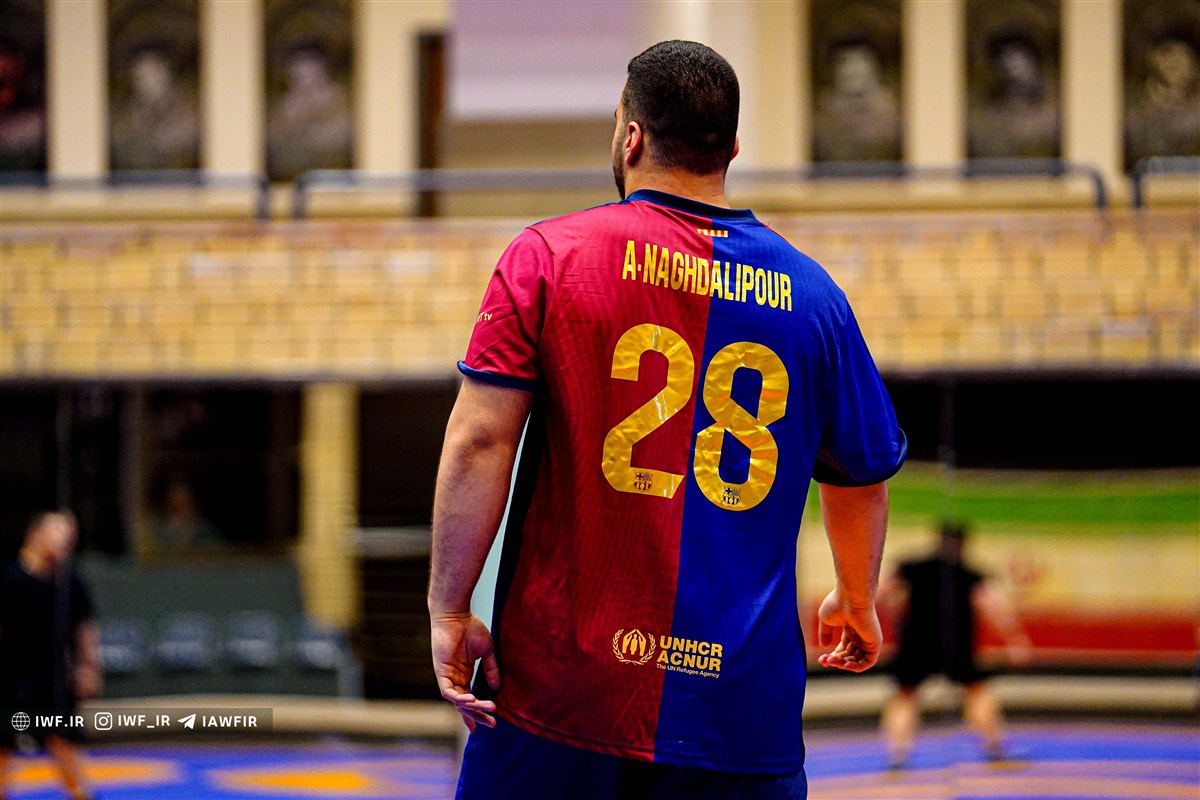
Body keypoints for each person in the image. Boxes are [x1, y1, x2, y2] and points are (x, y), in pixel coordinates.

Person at [428, 40, 906, 799]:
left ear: (631, 137)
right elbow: (860, 474)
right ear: (733, 150)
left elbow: (480, 439)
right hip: (739, 710)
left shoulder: (548, 256)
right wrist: (855, 595)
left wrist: (450, 608)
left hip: (562, 691)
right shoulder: (817, 301)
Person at [879, 520, 1032, 769]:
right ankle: (995, 748)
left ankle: (897, 756)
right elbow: (993, 607)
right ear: (964, 544)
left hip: (915, 643)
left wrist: (887, 613)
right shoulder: (970, 573)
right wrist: (1016, 641)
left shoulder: (912, 567)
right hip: (957, 645)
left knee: (905, 695)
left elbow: (882, 592)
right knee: (976, 692)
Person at [0, 511, 102, 800]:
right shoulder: (8, 578)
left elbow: (84, 628)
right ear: (36, 536)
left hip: (53, 677)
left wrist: (89, 666)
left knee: (62, 739)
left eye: (70, 538)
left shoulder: (70, 583)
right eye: (58, 534)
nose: (65, 542)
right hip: (9, 676)